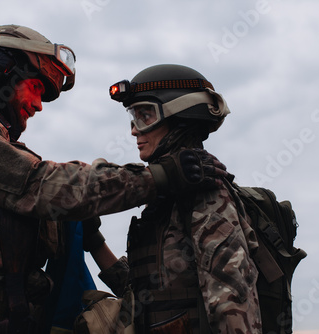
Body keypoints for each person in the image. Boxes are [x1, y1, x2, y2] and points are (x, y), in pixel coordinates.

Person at [0, 26, 226, 334]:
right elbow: (44, 187)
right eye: (35, 87)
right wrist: (164, 176)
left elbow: (67, 216)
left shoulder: (4, 152)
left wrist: (104, 253)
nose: (39, 105)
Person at [86, 64, 263, 333]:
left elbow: (233, 307)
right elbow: (147, 295)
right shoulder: (164, 198)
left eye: (145, 116)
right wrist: (94, 243)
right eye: (133, 118)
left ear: (180, 117)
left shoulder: (207, 193)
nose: (134, 130)